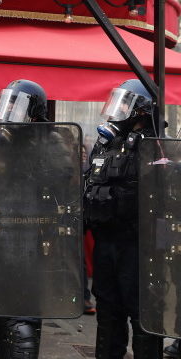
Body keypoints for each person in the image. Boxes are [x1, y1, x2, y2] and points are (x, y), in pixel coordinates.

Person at [85, 79, 163, 358]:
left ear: (141, 111)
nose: (119, 110)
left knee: (141, 315)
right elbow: (89, 186)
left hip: (139, 245)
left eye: (126, 103)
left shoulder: (156, 146)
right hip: (106, 241)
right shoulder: (105, 144)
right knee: (107, 311)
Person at [0, 79, 49, 359]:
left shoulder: (50, 143)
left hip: (28, 234)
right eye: (7, 104)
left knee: (23, 309)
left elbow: (59, 183)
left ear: (34, 114)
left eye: (17, 107)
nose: (9, 112)